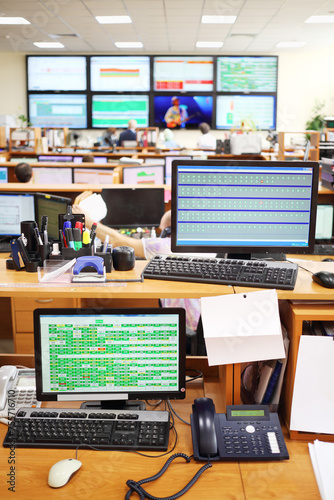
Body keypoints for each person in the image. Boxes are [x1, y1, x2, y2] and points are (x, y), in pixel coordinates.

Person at [72, 194, 201, 334]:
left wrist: (88, 221)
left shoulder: (163, 246)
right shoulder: (203, 244)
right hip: (201, 322)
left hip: (185, 325)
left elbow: (118, 241)